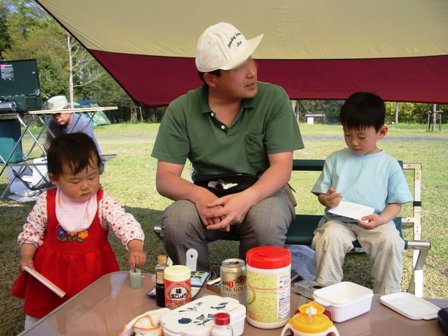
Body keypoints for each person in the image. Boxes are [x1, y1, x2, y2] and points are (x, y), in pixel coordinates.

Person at [151, 22, 304, 270]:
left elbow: (282, 167)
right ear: (211, 79)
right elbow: (165, 177)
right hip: (209, 192)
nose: (251, 72)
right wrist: (199, 196)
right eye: (238, 67)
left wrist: (246, 199)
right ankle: (195, 292)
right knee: (178, 221)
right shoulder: (181, 109)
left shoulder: (274, 98)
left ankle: (257, 299)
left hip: (263, 192)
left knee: (266, 221)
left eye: (250, 59)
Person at [11, 132, 146, 329]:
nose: (86, 186)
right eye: (75, 181)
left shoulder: (101, 201)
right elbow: (32, 232)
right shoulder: (46, 201)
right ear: (55, 179)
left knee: (95, 316)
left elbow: (124, 221)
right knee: (41, 315)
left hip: (92, 275)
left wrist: (135, 247)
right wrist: (26, 256)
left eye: (92, 177)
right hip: (51, 274)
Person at [311, 92, 413, 294]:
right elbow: (322, 195)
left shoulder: (389, 165)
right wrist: (327, 200)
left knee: (391, 241)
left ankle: (387, 294)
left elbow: (396, 203)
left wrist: (382, 219)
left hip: (374, 221)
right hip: (339, 221)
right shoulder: (336, 159)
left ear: (381, 132)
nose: (354, 142)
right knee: (329, 238)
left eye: (361, 136)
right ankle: (327, 291)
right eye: (347, 135)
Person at [45, 96, 104, 172]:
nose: (56, 117)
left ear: (69, 109)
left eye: (59, 113)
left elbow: (88, 150)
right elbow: (48, 145)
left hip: (89, 162)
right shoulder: (52, 124)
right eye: (53, 115)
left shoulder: (83, 123)